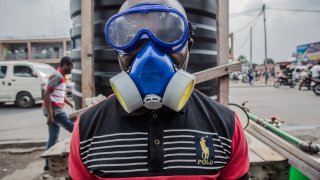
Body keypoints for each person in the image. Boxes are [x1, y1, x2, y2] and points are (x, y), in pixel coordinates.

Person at [69, 0, 249, 179]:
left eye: (166, 35)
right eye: (131, 38)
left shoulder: (226, 125)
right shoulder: (86, 129)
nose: (149, 51)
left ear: (188, 47)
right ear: (118, 52)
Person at [43, 56, 74, 171]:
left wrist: (69, 103)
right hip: (55, 111)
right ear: (65, 65)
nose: (72, 68)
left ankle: (47, 164)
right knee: (75, 129)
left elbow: (60, 94)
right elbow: (47, 94)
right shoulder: (57, 75)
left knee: (53, 138)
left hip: (55, 110)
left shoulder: (60, 76)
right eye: (71, 65)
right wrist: (50, 115)